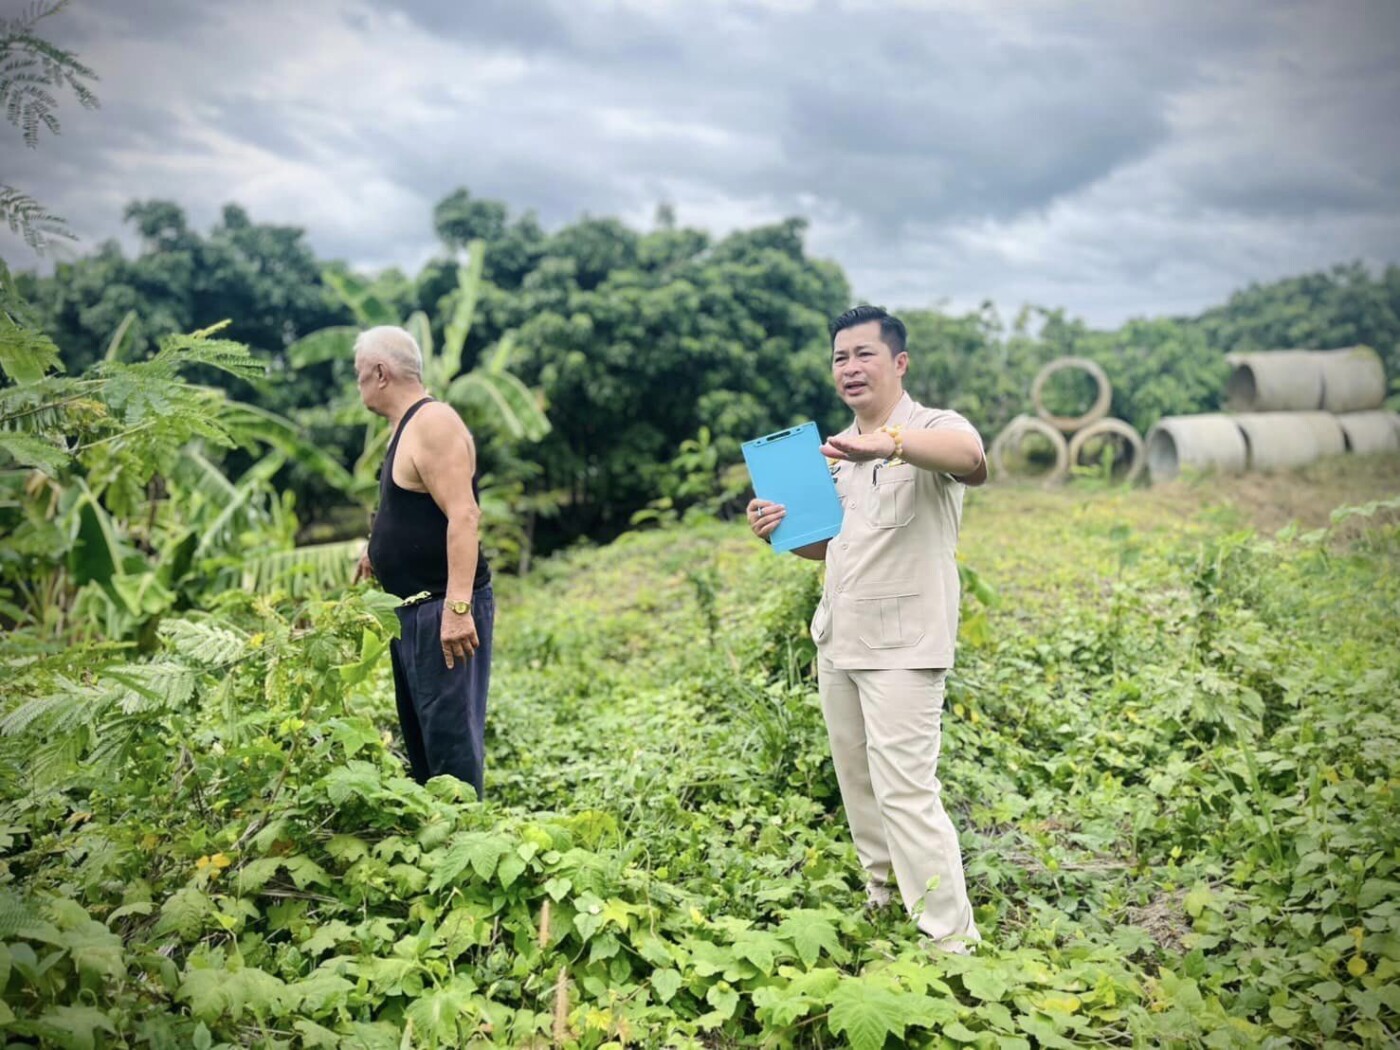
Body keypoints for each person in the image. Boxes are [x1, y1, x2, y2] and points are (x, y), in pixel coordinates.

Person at [748, 305, 986, 950]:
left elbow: (970, 457)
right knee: (857, 779)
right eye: (839, 358)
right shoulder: (833, 454)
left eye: (864, 355)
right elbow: (828, 547)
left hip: (906, 646)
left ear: (899, 363)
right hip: (842, 636)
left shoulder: (932, 427)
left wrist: (894, 443)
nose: (850, 368)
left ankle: (950, 943)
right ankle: (883, 898)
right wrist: (780, 531)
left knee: (907, 790)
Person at [352, 325, 495, 798]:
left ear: (380, 372)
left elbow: (464, 514)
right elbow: (412, 507)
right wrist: (376, 549)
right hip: (413, 610)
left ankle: (467, 846)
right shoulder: (404, 428)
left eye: (360, 376)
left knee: (449, 746)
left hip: (441, 609)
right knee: (423, 743)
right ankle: (439, 846)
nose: (359, 387)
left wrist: (457, 610)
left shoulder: (433, 423)